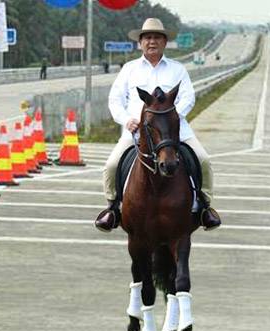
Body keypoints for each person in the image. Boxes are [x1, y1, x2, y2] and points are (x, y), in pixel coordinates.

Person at [95, 18, 221, 232]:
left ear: (164, 42)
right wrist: (126, 120)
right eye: (147, 38)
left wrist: (171, 118)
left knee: (203, 161)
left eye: (156, 38)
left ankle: (204, 206)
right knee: (111, 166)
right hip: (136, 133)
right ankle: (113, 208)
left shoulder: (178, 69)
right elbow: (115, 100)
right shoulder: (129, 69)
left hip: (175, 132)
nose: (152, 41)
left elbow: (188, 97)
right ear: (140, 42)